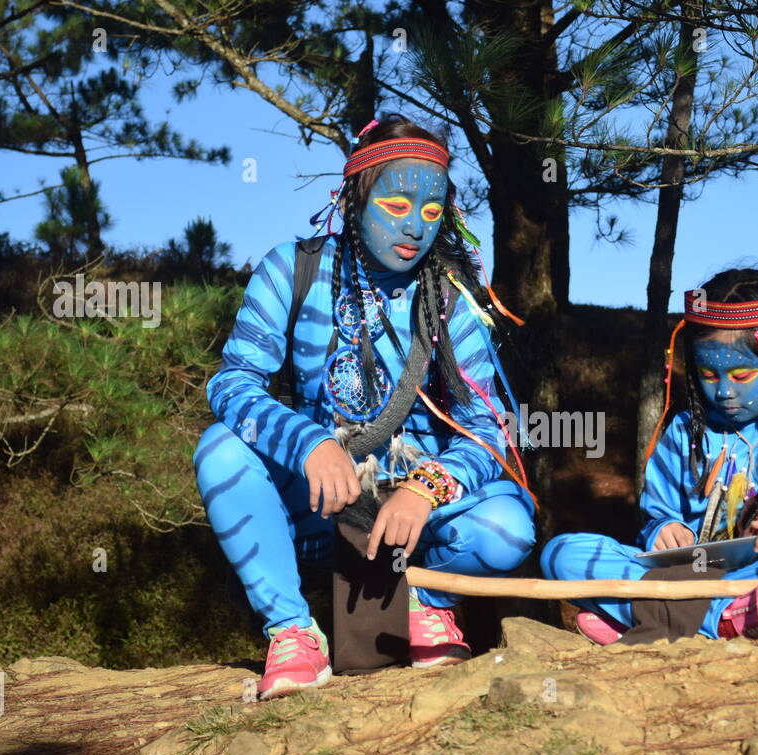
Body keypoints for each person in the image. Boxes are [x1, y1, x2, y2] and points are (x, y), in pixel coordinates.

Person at [195, 114, 534, 698]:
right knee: (220, 450)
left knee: (508, 528)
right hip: (322, 498)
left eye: (432, 212)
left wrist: (426, 486)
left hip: (419, 513)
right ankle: (293, 634)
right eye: (396, 204)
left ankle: (428, 605)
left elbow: (490, 422)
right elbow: (232, 383)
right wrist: (309, 442)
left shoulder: (452, 297)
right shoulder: (291, 269)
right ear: (355, 197)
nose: (415, 227)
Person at [541, 267, 758, 644]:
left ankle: (655, 613)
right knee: (561, 554)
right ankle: (724, 618)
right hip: (696, 573)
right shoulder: (685, 430)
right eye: (709, 375)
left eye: (742, 376)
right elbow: (657, 516)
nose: (725, 391)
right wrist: (662, 529)